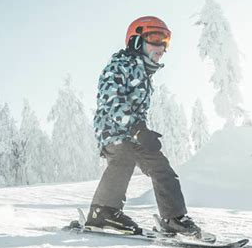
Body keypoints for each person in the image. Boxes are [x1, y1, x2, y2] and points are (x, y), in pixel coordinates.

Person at [86, 16, 200, 236]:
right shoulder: (120, 65)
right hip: (113, 131)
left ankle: (174, 217)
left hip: (133, 132)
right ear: (136, 41)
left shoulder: (145, 75)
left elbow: (138, 109)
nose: (162, 46)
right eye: (156, 38)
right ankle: (103, 212)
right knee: (123, 158)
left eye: (165, 41)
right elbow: (111, 100)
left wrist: (143, 132)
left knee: (161, 166)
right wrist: (136, 128)